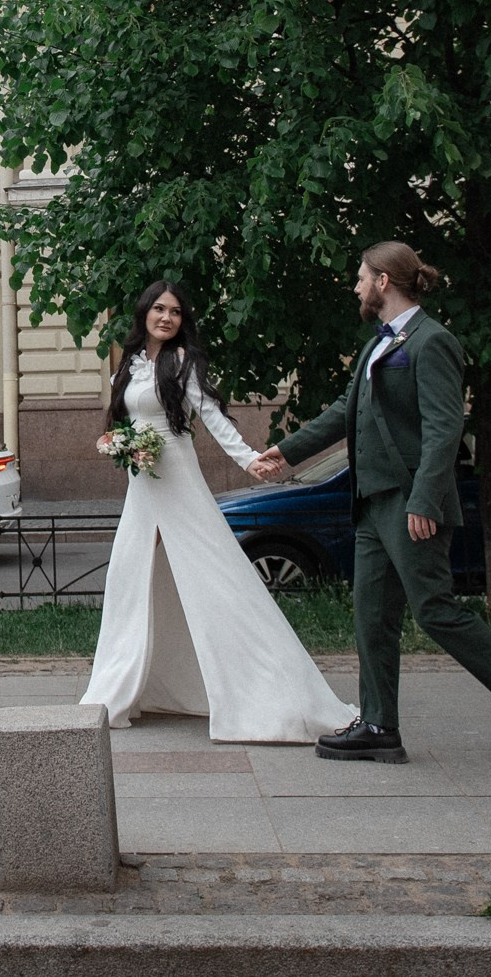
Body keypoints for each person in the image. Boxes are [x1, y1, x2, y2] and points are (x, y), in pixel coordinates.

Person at [249, 242, 491, 777]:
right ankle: (379, 726)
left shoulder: (432, 340)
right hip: (372, 504)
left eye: (361, 277)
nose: (355, 286)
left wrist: (425, 499)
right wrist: (286, 452)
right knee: (371, 616)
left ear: (383, 281)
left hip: (408, 501)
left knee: (435, 610)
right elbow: (345, 411)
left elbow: (445, 428)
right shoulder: (379, 344)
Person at [79, 280, 358, 743]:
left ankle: (268, 690)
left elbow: (211, 415)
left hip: (178, 478)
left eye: (176, 312)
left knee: (215, 577)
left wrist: (249, 459)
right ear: (144, 312)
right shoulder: (128, 364)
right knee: (132, 579)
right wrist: (120, 443)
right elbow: (126, 419)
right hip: (142, 485)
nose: (167, 318)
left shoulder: (182, 362)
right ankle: (126, 684)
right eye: (159, 309)